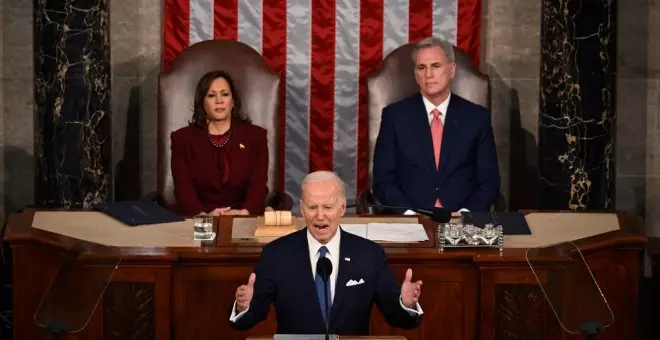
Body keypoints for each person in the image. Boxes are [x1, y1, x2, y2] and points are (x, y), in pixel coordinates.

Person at [228, 171, 423, 335]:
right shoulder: (277, 254)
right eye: (312, 207)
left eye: (328, 207)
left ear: (342, 208)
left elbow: (397, 315)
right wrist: (243, 306)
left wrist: (406, 304)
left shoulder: (369, 254)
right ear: (302, 209)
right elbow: (249, 317)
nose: (320, 215)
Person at [372, 37, 500, 214]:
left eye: (436, 66)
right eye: (421, 68)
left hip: (462, 219)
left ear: (452, 70)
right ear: (416, 75)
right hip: (410, 219)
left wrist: (466, 213)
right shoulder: (394, 117)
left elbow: (489, 183)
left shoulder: (476, 118)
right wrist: (408, 214)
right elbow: (383, 181)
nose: (428, 75)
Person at [170, 70, 268, 216]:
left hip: (244, 217)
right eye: (211, 95)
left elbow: (258, 185)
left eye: (225, 94)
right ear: (202, 103)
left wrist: (244, 213)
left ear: (233, 101)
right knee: (203, 238)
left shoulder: (256, 137)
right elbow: (183, 189)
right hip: (199, 218)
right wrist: (204, 217)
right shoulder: (182, 139)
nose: (219, 101)